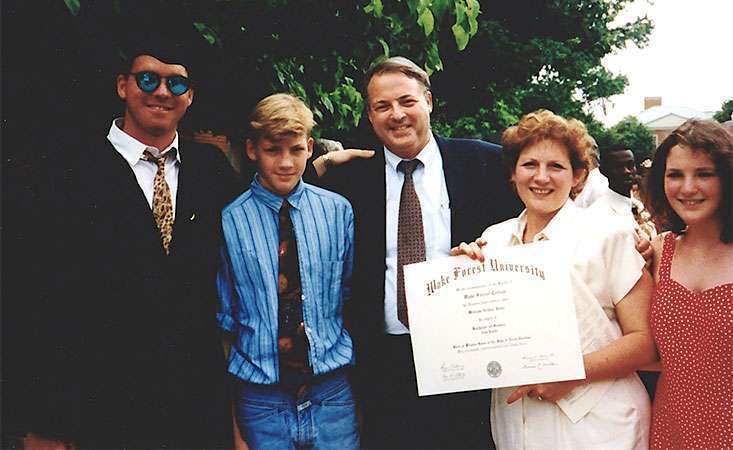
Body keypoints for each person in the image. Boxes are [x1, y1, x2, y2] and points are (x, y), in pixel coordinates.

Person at [20, 36, 240, 449]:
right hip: (101, 405)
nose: (161, 92)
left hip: (196, 408)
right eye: (147, 79)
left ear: (190, 96)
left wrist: (331, 166)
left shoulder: (212, 174)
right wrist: (42, 419)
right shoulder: (67, 172)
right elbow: (39, 299)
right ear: (123, 86)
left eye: (176, 84)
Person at [311, 56, 520, 449]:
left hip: (467, 353)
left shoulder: (484, 163)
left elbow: (541, 218)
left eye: (406, 101)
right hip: (383, 360)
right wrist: (324, 161)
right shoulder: (350, 180)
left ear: (428, 100)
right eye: (382, 106)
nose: (397, 115)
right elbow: (284, 181)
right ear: (370, 116)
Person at [453, 110, 656, 449]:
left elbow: (644, 340)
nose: (541, 177)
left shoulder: (610, 234)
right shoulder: (493, 240)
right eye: (529, 164)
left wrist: (571, 372)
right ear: (513, 173)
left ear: (578, 176)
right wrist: (460, 279)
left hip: (599, 424)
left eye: (556, 167)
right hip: (518, 422)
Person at [218, 93, 358, 450]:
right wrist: (233, 419)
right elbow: (226, 319)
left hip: (332, 393)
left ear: (310, 147)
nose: (285, 162)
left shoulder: (338, 212)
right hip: (260, 399)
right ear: (252, 150)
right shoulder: (228, 220)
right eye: (272, 150)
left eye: (295, 149)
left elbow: (348, 296)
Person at [645, 119, 732, 449]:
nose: (688, 187)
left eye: (704, 174)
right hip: (672, 431)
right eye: (675, 175)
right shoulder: (655, 251)